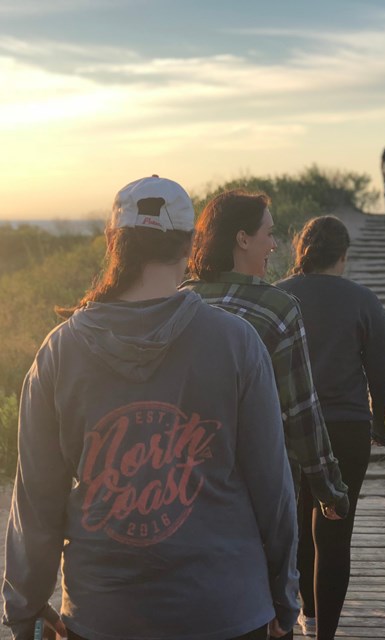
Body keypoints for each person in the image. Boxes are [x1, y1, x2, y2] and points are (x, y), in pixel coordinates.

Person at [2, 176, 299, 640]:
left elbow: (36, 503)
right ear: (191, 243)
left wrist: (24, 609)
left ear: (112, 242)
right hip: (227, 610)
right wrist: (285, 600)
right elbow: (273, 490)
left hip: (104, 615)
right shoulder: (236, 341)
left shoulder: (59, 352)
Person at [180, 190, 349, 525]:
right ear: (242, 239)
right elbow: (300, 411)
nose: (273, 245)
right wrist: (329, 488)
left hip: (180, 483)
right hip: (257, 487)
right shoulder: (278, 309)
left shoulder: (180, 300)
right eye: (269, 234)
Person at [277, 216, 385, 640]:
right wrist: (380, 423)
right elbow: (382, 370)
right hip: (345, 429)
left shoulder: (278, 297)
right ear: (343, 256)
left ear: (301, 252)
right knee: (334, 532)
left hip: (287, 429)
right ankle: (323, 633)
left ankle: (304, 615)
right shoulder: (364, 300)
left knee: (294, 525)